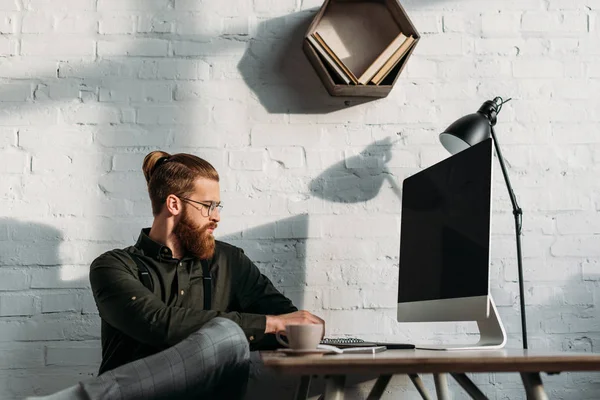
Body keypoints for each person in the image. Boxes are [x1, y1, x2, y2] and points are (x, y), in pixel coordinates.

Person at [27, 151, 324, 400]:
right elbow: (160, 324)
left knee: (351, 373)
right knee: (228, 335)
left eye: (217, 206)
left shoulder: (230, 261)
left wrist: (305, 328)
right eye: (208, 206)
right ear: (174, 204)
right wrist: (266, 325)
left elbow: (289, 322)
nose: (217, 216)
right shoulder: (112, 267)